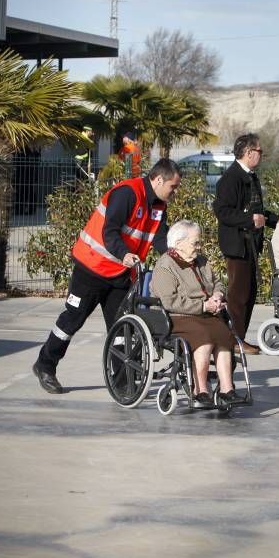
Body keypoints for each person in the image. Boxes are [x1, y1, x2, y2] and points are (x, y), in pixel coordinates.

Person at [32, 158, 182, 394]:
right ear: (159, 179)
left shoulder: (159, 206)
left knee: (122, 329)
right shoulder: (127, 193)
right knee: (72, 320)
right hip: (92, 268)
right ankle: (45, 365)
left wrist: (177, 257)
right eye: (173, 187)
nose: (174, 192)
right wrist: (124, 254)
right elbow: (109, 231)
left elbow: (160, 239)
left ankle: (122, 382)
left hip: (121, 275)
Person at [149, 220, 240, 406]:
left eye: (199, 242)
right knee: (204, 338)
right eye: (195, 242)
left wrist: (217, 295)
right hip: (176, 316)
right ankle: (200, 390)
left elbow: (218, 282)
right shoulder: (165, 265)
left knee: (224, 336)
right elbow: (169, 301)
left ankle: (227, 389)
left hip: (205, 314)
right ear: (178, 243)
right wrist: (203, 306)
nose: (199, 246)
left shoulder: (202, 261)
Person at [213, 133, 278, 355]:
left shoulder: (251, 177)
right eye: (259, 151)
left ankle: (238, 338)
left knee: (249, 293)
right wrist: (249, 220)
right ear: (249, 153)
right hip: (237, 245)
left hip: (250, 244)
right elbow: (223, 212)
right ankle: (233, 340)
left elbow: (258, 211)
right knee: (239, 295)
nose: (262, 155)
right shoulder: (231, 178)